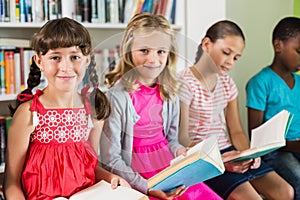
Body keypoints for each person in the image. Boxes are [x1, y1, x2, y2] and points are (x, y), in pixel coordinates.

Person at [3, 17, 129, 200]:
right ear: (39, 61)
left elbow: (91, 167)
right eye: (55, 57)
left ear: (87, 60)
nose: (66, 67)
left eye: (75, 57)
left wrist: (111, 178)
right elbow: (11, 183)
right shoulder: (29, 113)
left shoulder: (92, 111)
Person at [100, 13, 222, 200]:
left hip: (170, 171)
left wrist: (182, 152)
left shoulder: (170, 92)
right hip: (138, 177)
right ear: (128, 50)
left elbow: (171, 140)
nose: (153, 60)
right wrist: (146, 186)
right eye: (144, 51)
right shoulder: (117, 97)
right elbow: (111, 159)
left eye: (161, 52)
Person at [178, 20, 294, 200]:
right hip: (202, 157)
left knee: (285, 191)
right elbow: (182, 140)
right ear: (207, 44)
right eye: (226, 53)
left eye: (236, 57)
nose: (230, 62)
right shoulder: (183, 83)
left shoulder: (227, 84)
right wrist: (222, 161)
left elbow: (237, 131)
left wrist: (249, 153)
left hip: (229, 151)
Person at [246, 16, 300, 199]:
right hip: (275, 152)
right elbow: (257, 137)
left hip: (296, 146)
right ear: (278, 46)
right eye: (299, 51)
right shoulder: (260, 83)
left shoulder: (299, 82)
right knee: (298, 177)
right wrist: (294, 145)